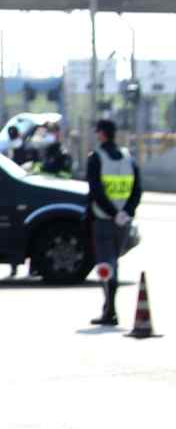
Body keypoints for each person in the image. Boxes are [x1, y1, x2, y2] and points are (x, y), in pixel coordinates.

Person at [86, 118, 143, 326]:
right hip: (123, 222)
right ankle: (109, 309)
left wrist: (111, 212)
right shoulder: (129, 158)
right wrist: (126, 212)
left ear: (101, 134)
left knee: (105, 265)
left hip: (103, 220)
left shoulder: (96, 158)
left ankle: (109, 310)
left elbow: (96, 192)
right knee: (113, 263)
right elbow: (137, 190)